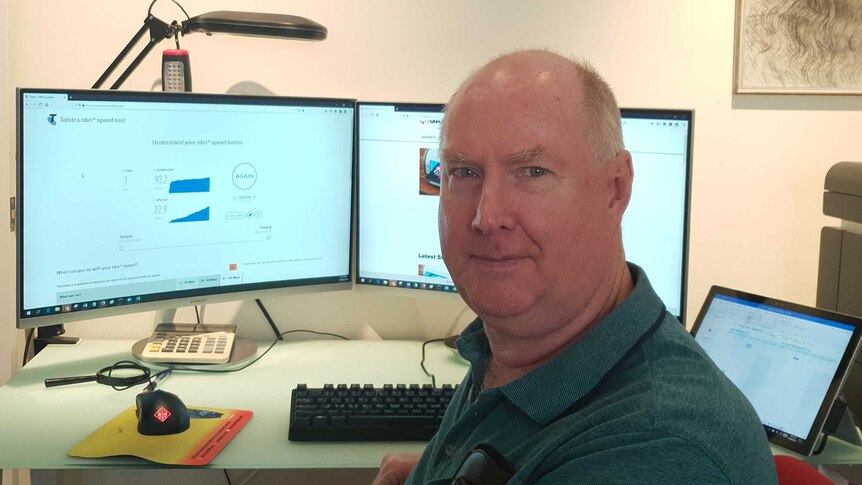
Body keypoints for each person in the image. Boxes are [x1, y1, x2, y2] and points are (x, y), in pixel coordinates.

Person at [373, 49, 777, 484]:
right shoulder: (521, 343)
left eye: (532, 171)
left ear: (615, 188)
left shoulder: (658, 450)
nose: (487, 217)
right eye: (463, 172)